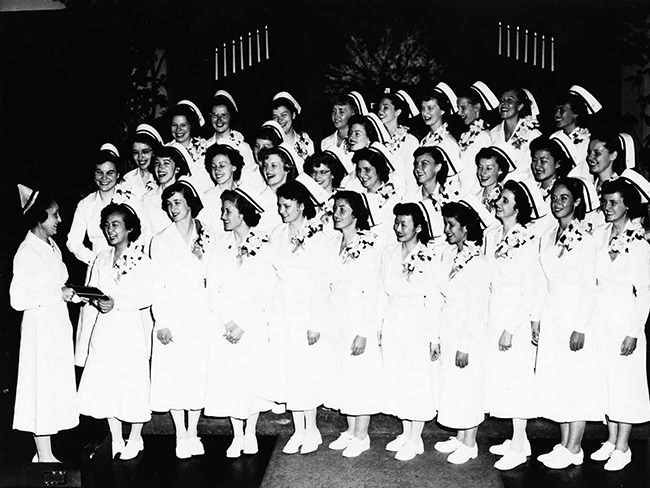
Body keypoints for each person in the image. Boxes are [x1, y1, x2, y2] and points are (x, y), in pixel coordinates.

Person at [535, 177, 602, 469]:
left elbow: (589, 285)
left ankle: (575, 447)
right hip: (552, 313)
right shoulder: (546, 236)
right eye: (554, 197)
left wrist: (581, 326)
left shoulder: (585, 240)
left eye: (564, 198)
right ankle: (564, 444)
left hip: (575, 313)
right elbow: (541, 281)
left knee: (576, 380)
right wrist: (536, 318)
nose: (558, 202)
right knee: (558, 380)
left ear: (576, 202)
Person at [77, 203, 153, 460]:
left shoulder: (142, 260)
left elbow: (147, 295)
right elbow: (93, 288)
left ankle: (135, 436)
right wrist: (87, 296)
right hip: (105, 329)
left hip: (129, 329)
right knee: (107, 382)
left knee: (131, 381)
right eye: (107, 225)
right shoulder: (101, 258)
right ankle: (117, 437)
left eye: (116, 224)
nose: (110, 230)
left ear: (129, 228)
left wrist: (117, 303)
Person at [204, 186, 275, 458]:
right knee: (231, 378)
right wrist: (227, 322)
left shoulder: (264, 246)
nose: (222, 216)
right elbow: (213, 288)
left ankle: (251, 432)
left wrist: (244, 324)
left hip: (252, 324)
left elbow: (266, 291)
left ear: (243, 214)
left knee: (251, 377)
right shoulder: (219, 246)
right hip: (225, 324)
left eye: (227, 211)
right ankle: (236, 434)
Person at [10, 186, 78, 462]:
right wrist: (55, 294)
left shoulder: (51, 246)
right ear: (40, 218)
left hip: (56, 327)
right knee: (40, 388)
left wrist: (72, 294)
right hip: (39, 331)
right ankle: (44, 455)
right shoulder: (27, 251)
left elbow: (56, 285)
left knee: (53, 388)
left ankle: (45, 454)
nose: (59, 220)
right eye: (54, 215)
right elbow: (17, 299)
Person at [264, 180, 330, 455]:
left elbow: (321, 280)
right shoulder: (277, 233)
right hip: (283, 304)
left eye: (287, 206)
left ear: (302, 205)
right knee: (288, 368)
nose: (282, 211)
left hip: (305, 305)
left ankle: (311, 429)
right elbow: (270, 271)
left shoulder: (317, 235)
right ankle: (298, 428)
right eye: (280, 206)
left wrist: (315, 322)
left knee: (305, 368)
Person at [149, 180, 214, 459]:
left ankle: (194, 431)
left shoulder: (208, 235)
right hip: (173, 314)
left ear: (190, 203)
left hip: (200, 313)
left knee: (197, 372)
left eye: (177, 202)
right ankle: (181, 433)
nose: (172, 208)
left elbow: (215, 276)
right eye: (169, 203)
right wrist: (161, 320)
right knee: (175, 373)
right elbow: (157, 283)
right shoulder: (161, 239)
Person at [484, 179, 545, 470]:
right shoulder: (491, 234)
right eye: (499, 198)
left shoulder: (529, 238)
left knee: (517, 377)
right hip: (494, 309)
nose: (498, 202)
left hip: (515, 314)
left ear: (519, 207)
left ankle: (520, 444)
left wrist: (512, 326)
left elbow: (531, 287)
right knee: (503, 377)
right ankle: (516, 437)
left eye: (505, 200)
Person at [590, 177, 650, 471]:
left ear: (628, 205)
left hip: (625, 315)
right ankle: (611, 439)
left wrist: (634, 331)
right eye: (605, 201)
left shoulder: (640, 240)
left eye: (614, 202)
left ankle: (624, 446)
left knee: (625, 381)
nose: (607, 207)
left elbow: (645, 291)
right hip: (601, 315)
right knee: (605, 378)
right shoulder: (599, 234)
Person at [379, 202, 442, 461]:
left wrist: (433, 336)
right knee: (398, 375)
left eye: (404, 224)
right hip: (394, 319)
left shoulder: (428, 255)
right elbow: (382, 292)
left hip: (417, 320)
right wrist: (380, 327)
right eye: (397, 222)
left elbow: (434, 298)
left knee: (417, 377)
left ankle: (416, 437)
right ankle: (406, 432)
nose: (399, 228)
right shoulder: (389, 252)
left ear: (418, 227)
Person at [325, 191, 383, 458]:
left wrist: (363, 331)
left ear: (356, 214)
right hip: (337, 315)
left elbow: (372, 291)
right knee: (342, 372)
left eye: (342, 210)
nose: (336, 214)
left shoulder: (367, 246)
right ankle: (350, 429)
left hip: (358, 316)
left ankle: (362, 434)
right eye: (335, 209)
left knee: (360, 373)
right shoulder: (335, 242)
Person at [435, 198, 492, 464]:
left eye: (451, 225)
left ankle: (470, 442)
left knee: (467, 382)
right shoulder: (451, 255)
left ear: (466, 228)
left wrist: (465, 344)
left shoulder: (477, 261)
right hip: (450, 323)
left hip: (468, 328)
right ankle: (460, 435)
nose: (446, 229)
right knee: (454, 383)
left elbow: (477, 308)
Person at [67, 143, 135, 367]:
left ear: (118, 174)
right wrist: (95, 259)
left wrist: (124, 257)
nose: (104, 178)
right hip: (98, 266)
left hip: (126, 265)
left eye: (110, 173)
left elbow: (139, 234)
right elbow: (73, 242)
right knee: (94, 326)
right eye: (99, 172)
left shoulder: (129, 199)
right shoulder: (86, 204)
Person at [205, 90, 262, 188]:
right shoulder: (205, 146)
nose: (219, 120)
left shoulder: (243, 147)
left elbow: (253, 179)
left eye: (223, 115)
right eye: (215, 115)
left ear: (230, 116)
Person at [140, 144, 191, 245]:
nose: (160, 168)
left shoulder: (187, 194)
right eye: (157, 163)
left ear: (177, 169)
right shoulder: (148, 199)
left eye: (166, 163)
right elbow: (146, 235)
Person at [352, 142, 399, 245]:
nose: (361, 175)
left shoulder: (393, 201)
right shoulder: (357, 197)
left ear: (379, 170)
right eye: (359, 170)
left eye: (367, 170)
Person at [550, 85, 602, 179]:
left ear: (575, 113)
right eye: (555, 111)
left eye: (562, 110)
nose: (556, 115)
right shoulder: (554, 137)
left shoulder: (587, 141)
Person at [457, 81, 499, 194]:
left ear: (477, 107)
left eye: (463, 108)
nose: (459, 112)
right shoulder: (466, 135)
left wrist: (468, 200)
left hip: (472, 195)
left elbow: (482, 175)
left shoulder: (483, 136)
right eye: (458, 108)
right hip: (461, 193)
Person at [490, 87, 541, 181]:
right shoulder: (492, 133)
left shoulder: (533, 134)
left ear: (520, 106)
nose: (504, 104)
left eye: (509, 100)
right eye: (501, 100)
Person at [377, 90, 420, 195]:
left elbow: (412, 180)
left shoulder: (409, 141)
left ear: (397, 112)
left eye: (386, 108)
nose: (380, 112)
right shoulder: (377, 141)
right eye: (379, 108)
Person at [201, 143, 245, 237]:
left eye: (222, 166)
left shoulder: (245, 192)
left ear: (234, 167)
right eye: (213, 167)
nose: (217, 170)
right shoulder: (207, 199)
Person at [168, 100, 213, 192]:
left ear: (191, 125)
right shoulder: (166, 150)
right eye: (174, 125)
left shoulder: (204, 148)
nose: (178, 129)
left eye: (183, 125)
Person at [257, 143, 300, 233]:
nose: (268, 170)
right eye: (265, 166)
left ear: (287, 168)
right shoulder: (258, 201)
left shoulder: (297, 198)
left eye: (273, 166)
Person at [321, 91, 367, 171]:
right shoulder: (326, 142)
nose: (336, 115)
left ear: (353, 114)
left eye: (341, 112)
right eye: (333, 111)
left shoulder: (358, 142)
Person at [272, 91, 314, 165]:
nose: (280, 120)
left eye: (284, 115)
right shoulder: (270, 144)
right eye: (275, 117)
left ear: (293, 115)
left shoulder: (305, 141)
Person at [123, 123, 163, 200]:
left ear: (154, 152)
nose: (140, 157)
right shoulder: (128, 178)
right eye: (135, 152)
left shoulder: (162, 176)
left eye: (145, 151)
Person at [472, 146, 512, 214]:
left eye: (488, 168)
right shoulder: (473, 197)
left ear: (500, 170)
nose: (482, 172)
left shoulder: (506, 200)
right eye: (480, 167)